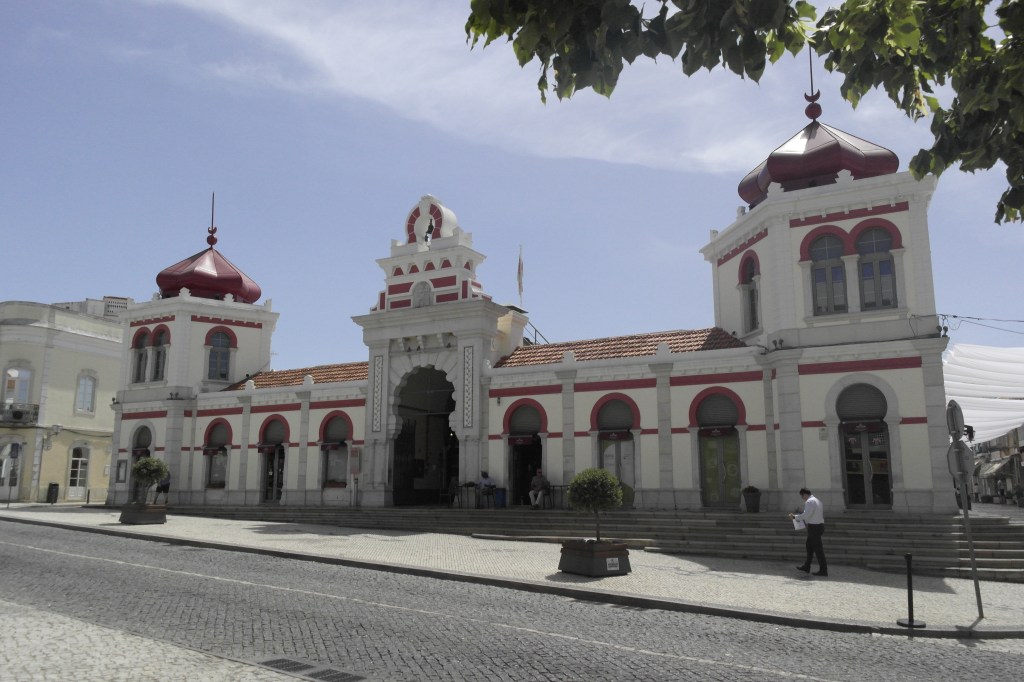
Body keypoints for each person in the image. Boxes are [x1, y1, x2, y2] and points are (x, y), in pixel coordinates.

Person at [789, 487, 827, 576]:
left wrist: (795, 517)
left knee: (818, 550)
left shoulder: (810, 501)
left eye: (802, 496)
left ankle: (823, 570)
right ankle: (807, 566)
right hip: (818, 526)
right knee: (809, 547)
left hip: (814, 527)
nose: (802, 498)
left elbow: (806, 515)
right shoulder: (817, 500)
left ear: (804, 494)